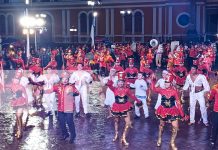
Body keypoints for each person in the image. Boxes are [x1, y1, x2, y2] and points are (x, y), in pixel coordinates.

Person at [151, 73, 187, 150]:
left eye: (167, 83)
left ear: (170, 83)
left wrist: (182, 114)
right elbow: (153, 89)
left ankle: (172, 142)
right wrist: (153, 81)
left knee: (175, 127)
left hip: (173, 110)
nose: (166, 84)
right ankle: (159, 138)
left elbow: (178, 103)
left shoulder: (174, 92)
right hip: (163, 110)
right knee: (161, 126)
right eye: (165, 82)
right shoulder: (161, 90)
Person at [107, 72, 142, 146]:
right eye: (119, 82)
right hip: (117, 107)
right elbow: (109, 85)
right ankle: (116, 134)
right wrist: (111, 77)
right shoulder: (114, 89)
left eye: (122, 82)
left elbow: (133, 96)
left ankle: (123, 137)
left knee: (128, 123)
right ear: (117, 83)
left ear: (123, 83)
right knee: (116, 122)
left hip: (125, 107)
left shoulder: (126, 90)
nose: (120, 83)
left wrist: (138, 101)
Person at [51, 72, 79, 144]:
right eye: (63, 79)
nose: (65, 80)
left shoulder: (71, 86)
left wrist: (71, 94)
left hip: (69, 108)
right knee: (62, 122)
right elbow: (50, 89)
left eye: (66, 79)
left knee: (70, 122)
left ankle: (73, 136)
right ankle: (65, 134)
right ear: (61, 79)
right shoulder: (57, 86)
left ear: (68, 79)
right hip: (60, 108)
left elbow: (77, 93)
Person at [6, 72, 28, 139]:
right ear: (13, 79)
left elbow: (26, 95)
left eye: (18, 79)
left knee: (18, 116)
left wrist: (26, 103)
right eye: (15, 79)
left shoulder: (21, 87)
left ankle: (20, 132)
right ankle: (18, 130)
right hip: (15, 102)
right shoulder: (10, 85)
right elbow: (3, 85)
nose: (16, 80)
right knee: (17, 117)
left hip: (21, 102)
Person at [208, 83, 218, 148]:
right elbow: (211, 97)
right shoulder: (215, 88)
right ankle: (213, 140)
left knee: (215, 126)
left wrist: (209, 99)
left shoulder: (215, 87)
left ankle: (213, 141)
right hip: (216, 110)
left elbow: (210, 98)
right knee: (215, 126)